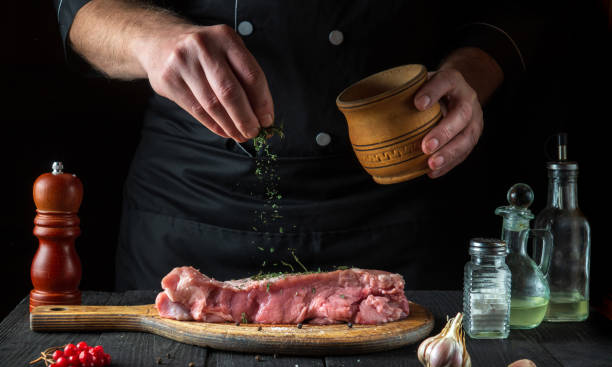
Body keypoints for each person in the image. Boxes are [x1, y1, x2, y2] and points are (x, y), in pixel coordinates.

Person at [55, 0, 526, 290]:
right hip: (196, 217)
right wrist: (150, 40)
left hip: (399, 216)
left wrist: (468, 76)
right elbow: (79, 8)